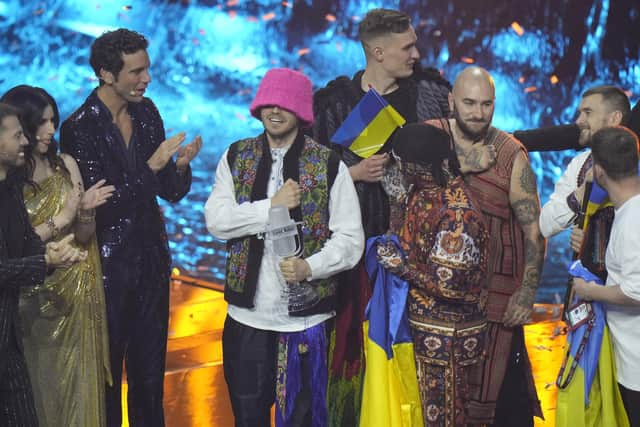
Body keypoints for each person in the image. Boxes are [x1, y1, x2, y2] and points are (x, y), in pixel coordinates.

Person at [204, 67, 364, 427]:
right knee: (247, 416)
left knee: (303, 418)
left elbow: (352, 239)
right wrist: (271, 207)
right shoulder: (236, 156)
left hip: (306, 321)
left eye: (284, 105)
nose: (274, 112)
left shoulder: (327, 165)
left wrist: (312, 267)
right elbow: (216, 221)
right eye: (268, 104)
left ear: (301, 112)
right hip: (247, 319)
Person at [60, 28, 202, 426]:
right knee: (107, 380)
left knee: (149, 378)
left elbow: (169, 193)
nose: (146, 79)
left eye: (147, 69)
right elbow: (100, 209)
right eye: (136, 71)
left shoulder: (147, 112)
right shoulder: (79, 129)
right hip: (105, 269)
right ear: (107, 74)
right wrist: (151, 167)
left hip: (151, 265)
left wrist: (179, 166)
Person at [425, 66, 546, 426]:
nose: (478, 113)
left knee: (492, 401)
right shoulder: (430, 139)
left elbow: (533, 230)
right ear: (451, 102)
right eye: (469, 103)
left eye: (486, 104)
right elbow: (403, 183)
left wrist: (526, 294)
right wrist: (460, 163)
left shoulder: (511, 154)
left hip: (494, 299)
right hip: (433, 301)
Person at [1, 85, 115, 427]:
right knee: (35, 391)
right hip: (27, 297)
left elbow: (82, 236)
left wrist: (85, 213)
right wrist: (60, 221)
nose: (51, 130)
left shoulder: (66, 164)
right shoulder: (10, 180)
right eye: (42, 122)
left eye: (54, 120)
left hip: (72, 291)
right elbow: (16, 247)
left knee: (74, 391)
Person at [377, 123, 489, 426]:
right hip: (420, 329)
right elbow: (407, 238)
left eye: (399, 161)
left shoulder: (458, 214)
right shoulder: (421, 191)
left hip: (447, 337)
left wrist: (400, 268)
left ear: (414, 165)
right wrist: (396, 203)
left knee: (443, 417)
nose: (395, 165)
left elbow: (449, 285)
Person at [0, 103, 84, 427]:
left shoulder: (10, 190)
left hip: (8, 341)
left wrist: (53, 252)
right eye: (17, 134)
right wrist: (43, 261)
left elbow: (25, 243)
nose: (25, 141)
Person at [573, 126, 640, 427]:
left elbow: (635, 292)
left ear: (599, 170)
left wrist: (589, 291)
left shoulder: (632, 221)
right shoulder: (628, 211)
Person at [539, 85, 630, 280]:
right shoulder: (579, 164)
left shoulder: (635, 165)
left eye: (587, 113)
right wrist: (581, 194)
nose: (579, 121)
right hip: (585, 295)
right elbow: (545, 225)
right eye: (580, 113)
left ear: (615, 118)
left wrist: (595, 242)